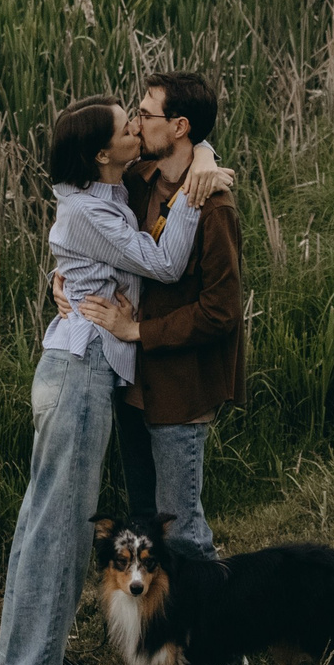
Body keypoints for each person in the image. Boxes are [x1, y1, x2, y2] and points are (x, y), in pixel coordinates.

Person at [0, 96, 226, 665]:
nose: (137, 129)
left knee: (43, 520)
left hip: (74, 367)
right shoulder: (89, 211)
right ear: (102, 153)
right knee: (61, 530)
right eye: (128, 126)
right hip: (80, 372)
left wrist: (203, 153)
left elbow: (178, 151)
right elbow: (165, 262)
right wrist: (192, 197)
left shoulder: (105, 193)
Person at [64, 72, 243, 565]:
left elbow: (221, 312)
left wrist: (137, 330)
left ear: (180, 126)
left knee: (182, 529)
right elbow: (88, 232)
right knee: (144, 521)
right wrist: (61, 281)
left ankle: (214, 616)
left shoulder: (214, 208)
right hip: (133, 383)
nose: (137, 122)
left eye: (145, 114)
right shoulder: (137, 181)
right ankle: (156, 615)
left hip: (180, 389)